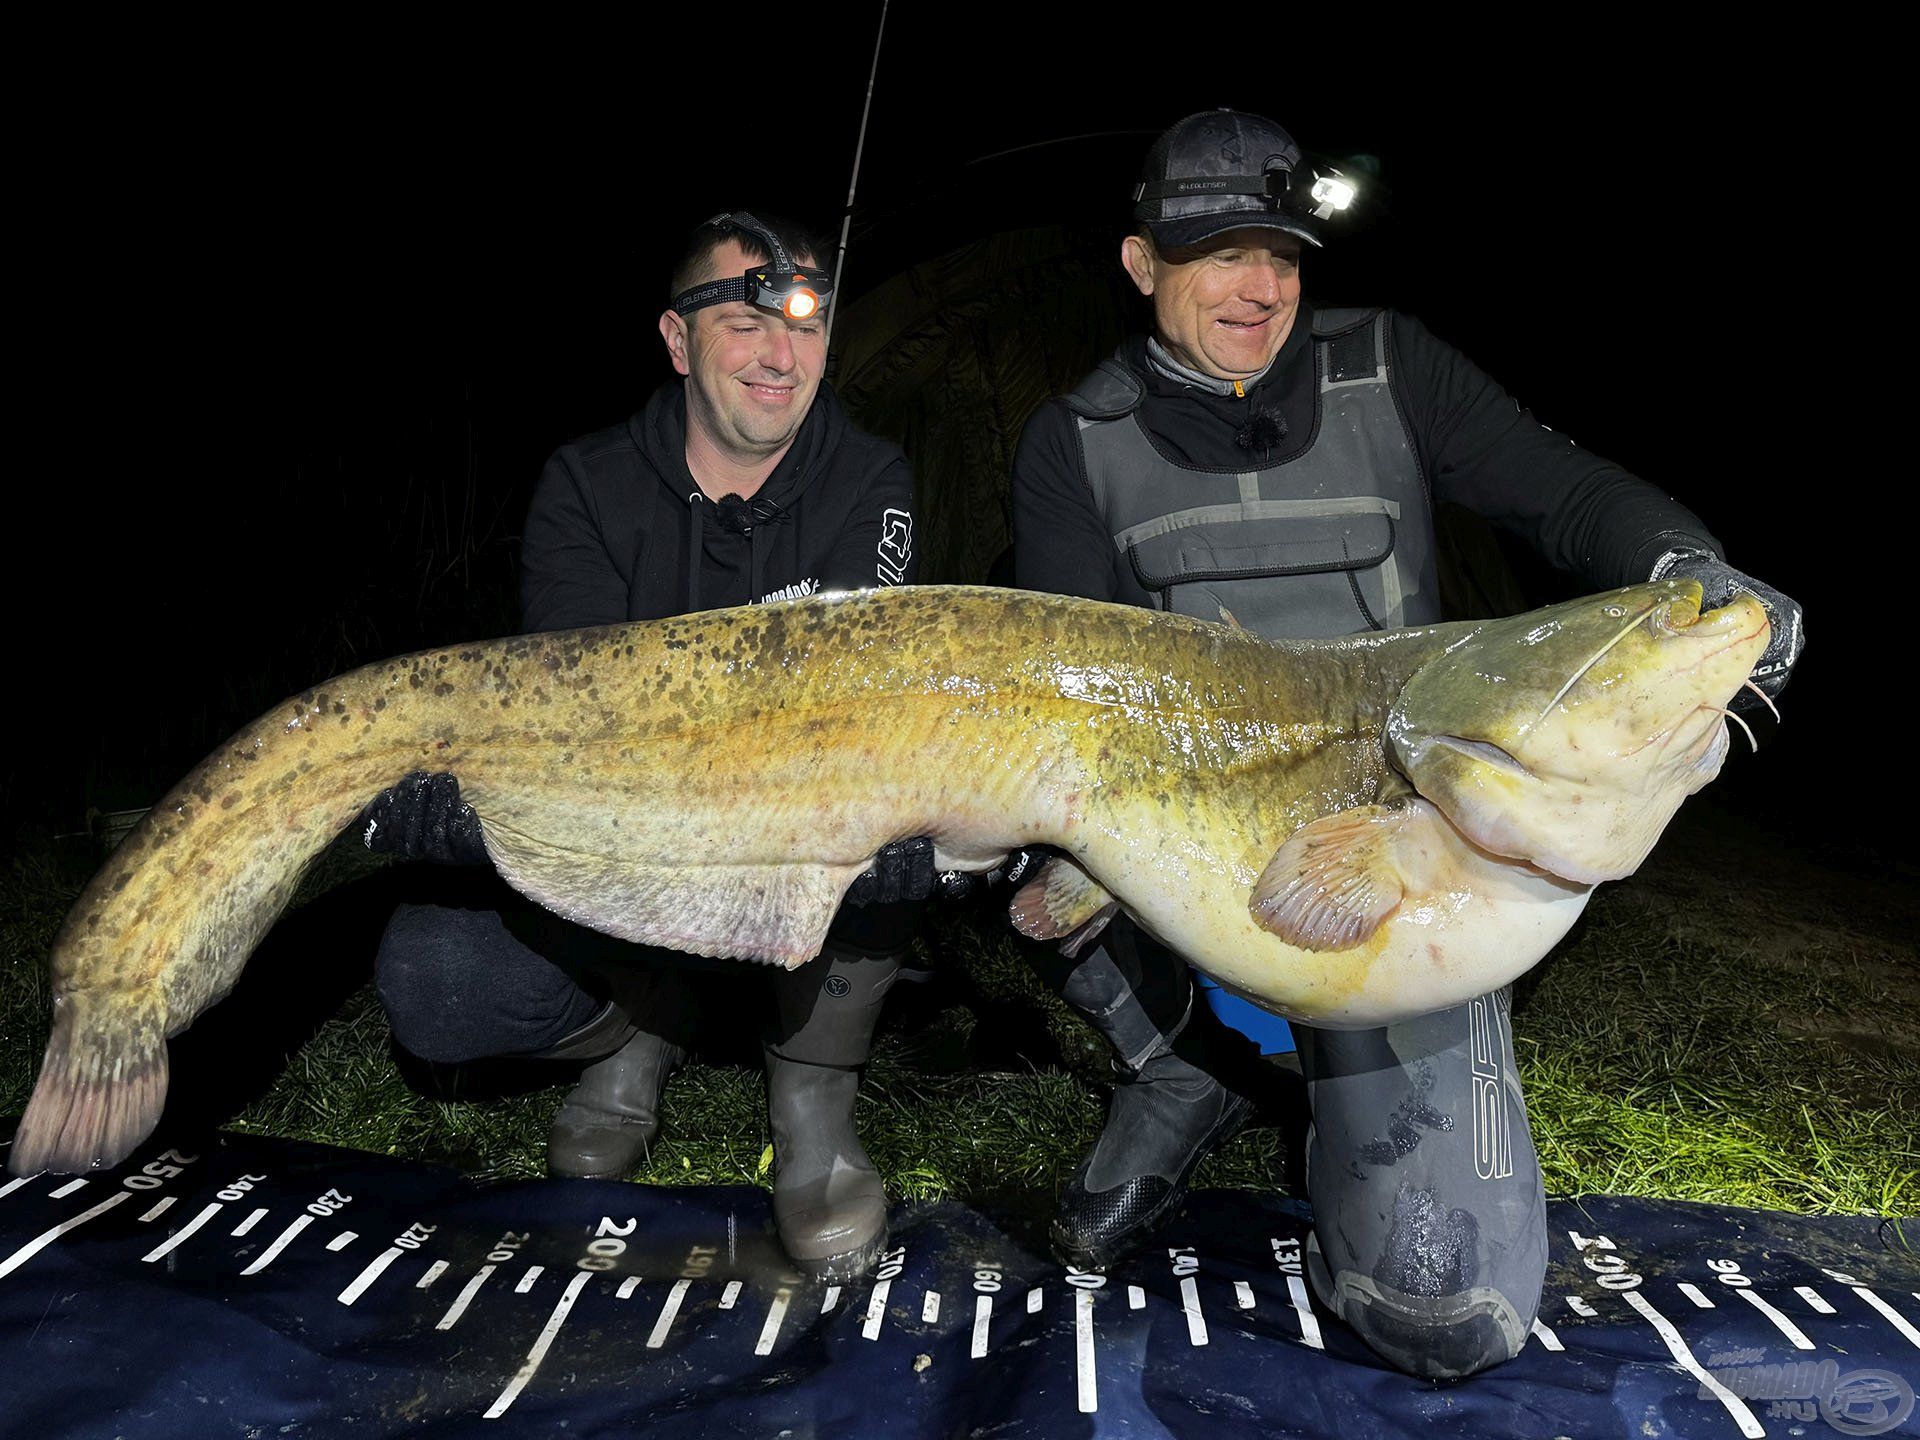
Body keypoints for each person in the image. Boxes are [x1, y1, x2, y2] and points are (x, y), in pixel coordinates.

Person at [1008, 109, 1805, 1379]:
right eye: (1216, 253)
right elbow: (1065, 696)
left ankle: (1337, 1073)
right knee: (1019, 822)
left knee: (1445, 1312)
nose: (1259, 286)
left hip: (1404, 861)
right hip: (1194, 848)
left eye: (1281, 253)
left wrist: (1686, 566)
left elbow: (1567, 489)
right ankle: (1192, 1063)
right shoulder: (1074, 442)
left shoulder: (1394, 368)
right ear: (1141, 262)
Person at [361, 211, 934, 1281]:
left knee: (883, 790)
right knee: (436, 978)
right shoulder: (586, 485)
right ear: (676, 342)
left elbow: (853, 722)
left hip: (804, 840)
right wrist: (468, 799)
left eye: (806, 327)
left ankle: (813, 1083)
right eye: (744, 322)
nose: (781, 356)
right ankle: (639, 1024)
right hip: (636, 840)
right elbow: (574, 726)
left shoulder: (872, 476)